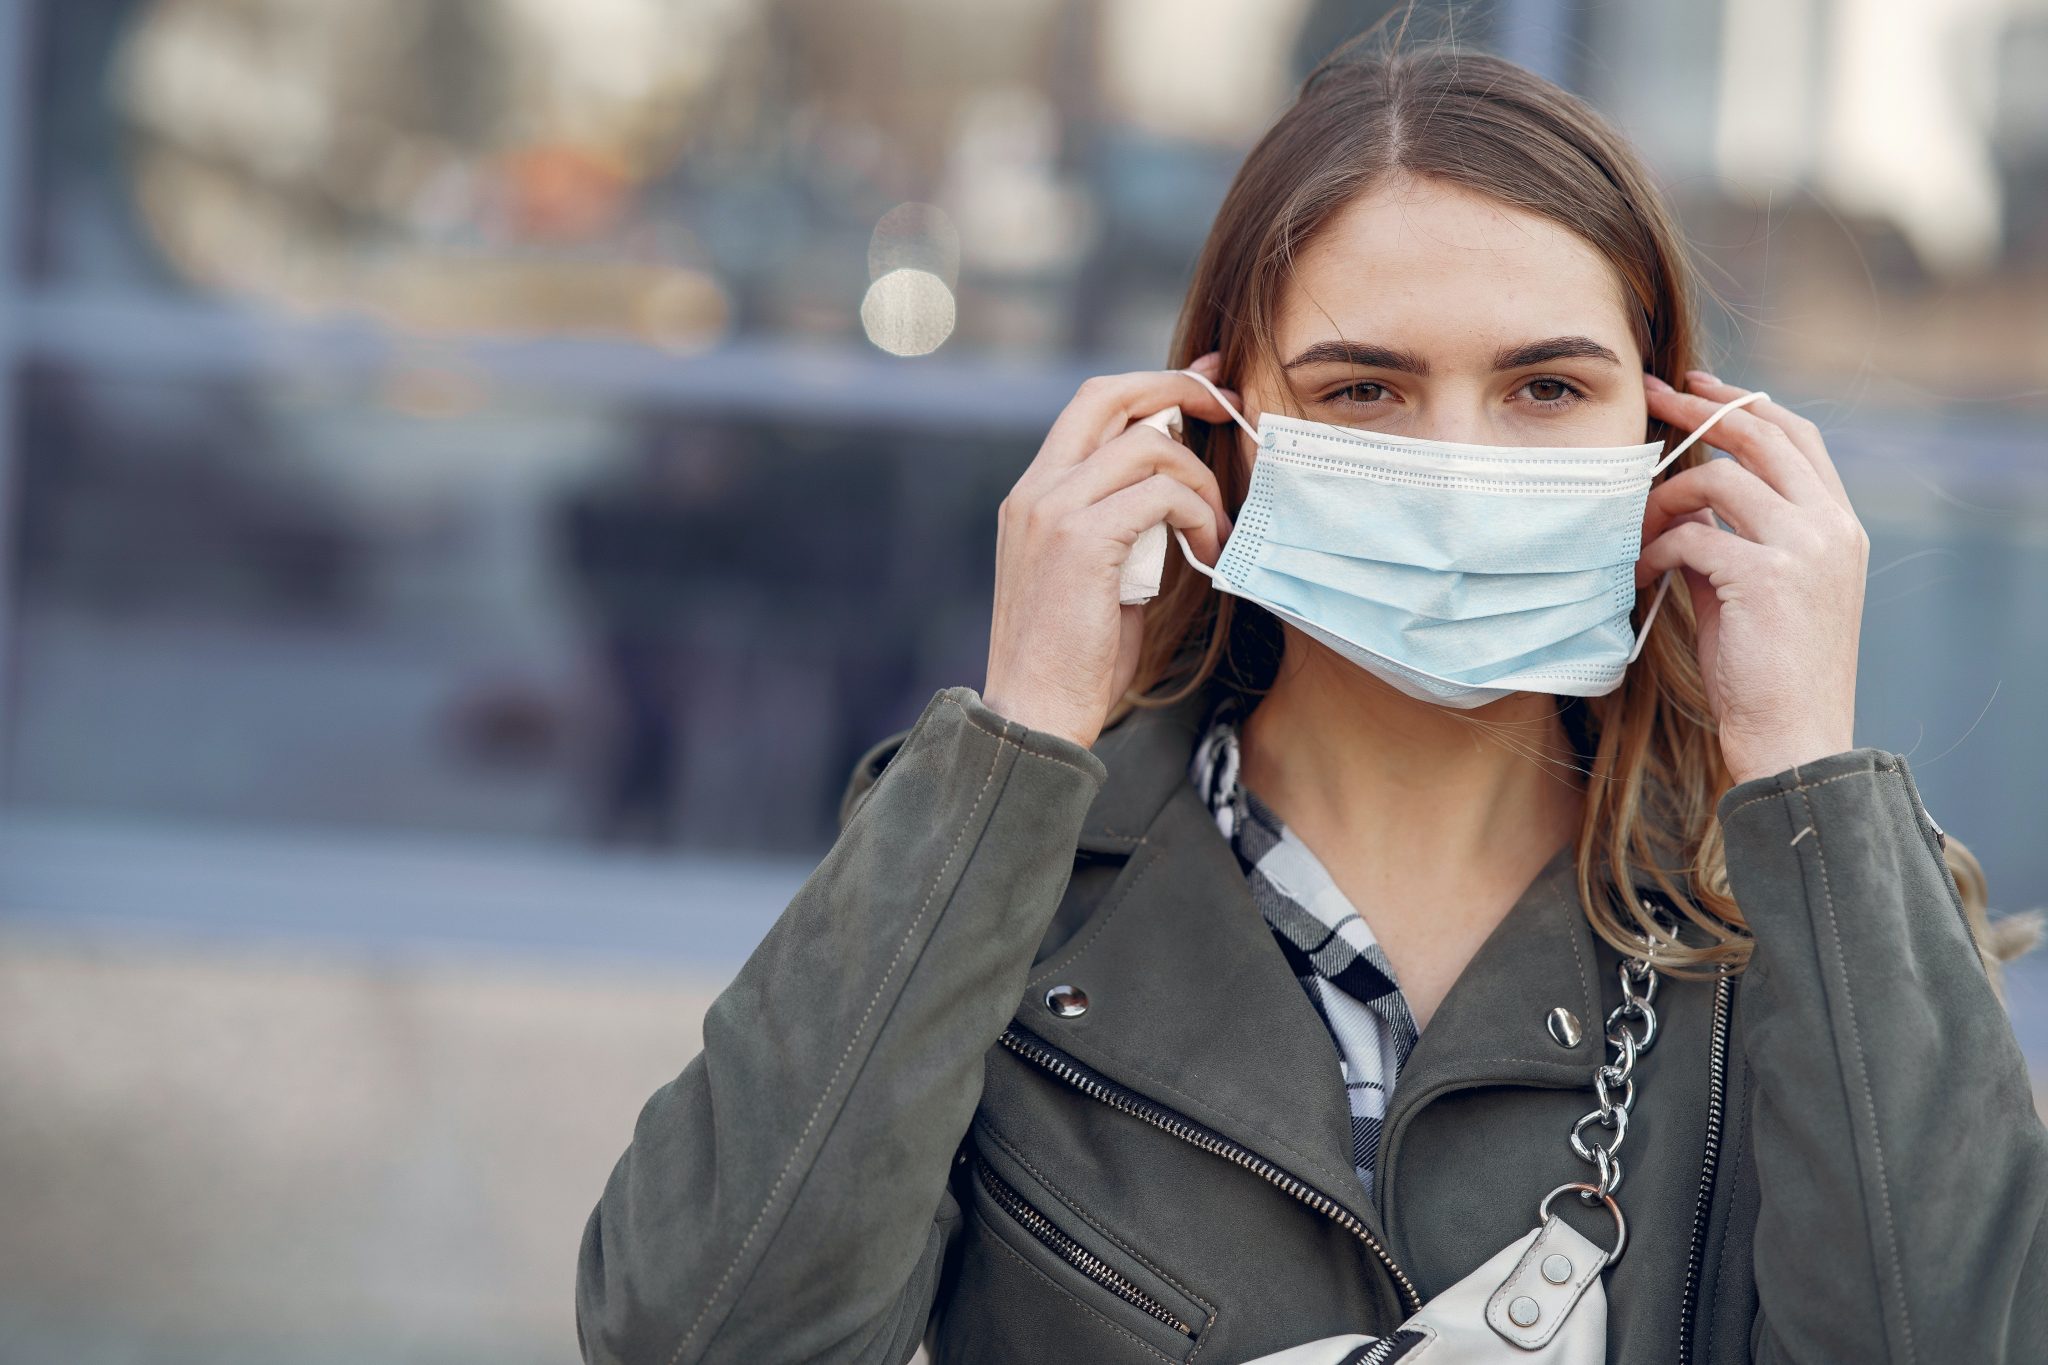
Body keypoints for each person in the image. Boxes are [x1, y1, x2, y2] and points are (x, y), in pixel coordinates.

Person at [572, 32, 2048, 1365]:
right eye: (1363, 392)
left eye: (1547, 389)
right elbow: (697, 1332)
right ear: (1219, 434)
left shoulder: (1808, 908)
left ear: (1674, 436)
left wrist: (1798, 767)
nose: (1466, 466)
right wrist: (1020, 733)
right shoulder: (1012, 880)